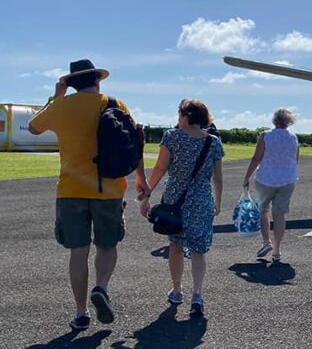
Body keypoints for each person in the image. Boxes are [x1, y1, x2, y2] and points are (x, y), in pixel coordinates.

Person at [28, 59, 148, 331]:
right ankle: (101, 287)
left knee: (78, 252)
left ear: (70, 83)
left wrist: (56, 97)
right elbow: (134, 143)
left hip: (70, 190)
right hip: (109, 189)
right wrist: (140, 178)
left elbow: (34, 127)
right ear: (98, 80)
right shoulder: (115, 104)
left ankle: (81, 313)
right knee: (107, 245)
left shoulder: (61, 107)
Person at [142, 99, 224, 318]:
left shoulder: (172, 136)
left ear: (185, 116)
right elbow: (218, 177)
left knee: (176, 246)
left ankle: (177, 290)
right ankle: (197, 294)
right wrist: (218, 201)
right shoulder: (213, 142)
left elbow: (160, 167)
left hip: (175, 200)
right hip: (202, 200)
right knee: (198, 248)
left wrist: (147, 192)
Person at [243, 108, 299, 262]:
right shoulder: (294, 138)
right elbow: (295, 160)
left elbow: (256, 158)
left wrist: (247, 176)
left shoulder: (266, 135)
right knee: (280, 215)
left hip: (265, 178)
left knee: (263, 211)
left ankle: (266, 241)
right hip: (287, 180)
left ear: (275, 120)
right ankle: (277, 250)